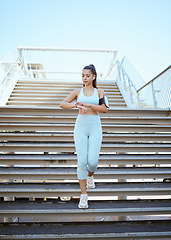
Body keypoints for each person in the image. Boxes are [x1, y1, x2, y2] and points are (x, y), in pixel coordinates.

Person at [60, 64, 108, 208]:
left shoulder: (100, 91)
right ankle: (83, 194)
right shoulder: (77, 91)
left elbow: (104, 109)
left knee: (92, 162)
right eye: (82, 76)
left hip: (95, 127)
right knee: (82, 161)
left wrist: (88, 105)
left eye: (87, 75)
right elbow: (62, 103)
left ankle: (90, 175)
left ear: (93, 76)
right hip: (80, 127)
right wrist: (76, 105)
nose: (84, 78)